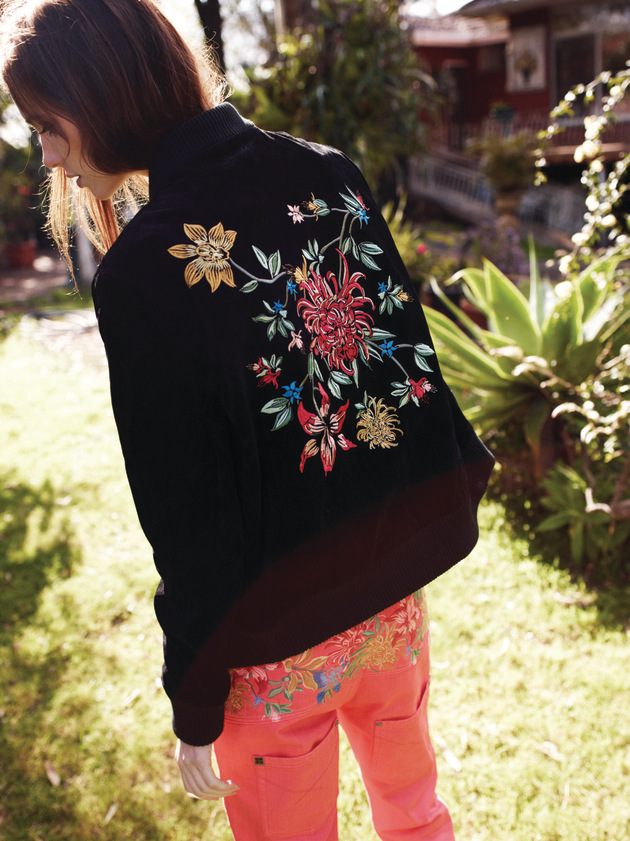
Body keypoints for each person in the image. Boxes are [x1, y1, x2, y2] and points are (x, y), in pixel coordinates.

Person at [0, 2, 494, 838]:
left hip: (275, 653)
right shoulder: (329, 173)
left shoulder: (143, 272)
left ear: (103, 93)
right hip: (393, 615)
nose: (47, 154)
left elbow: (189, 521)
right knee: (418, 816)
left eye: (49, 126)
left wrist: (193, 700)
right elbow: (409, 371)